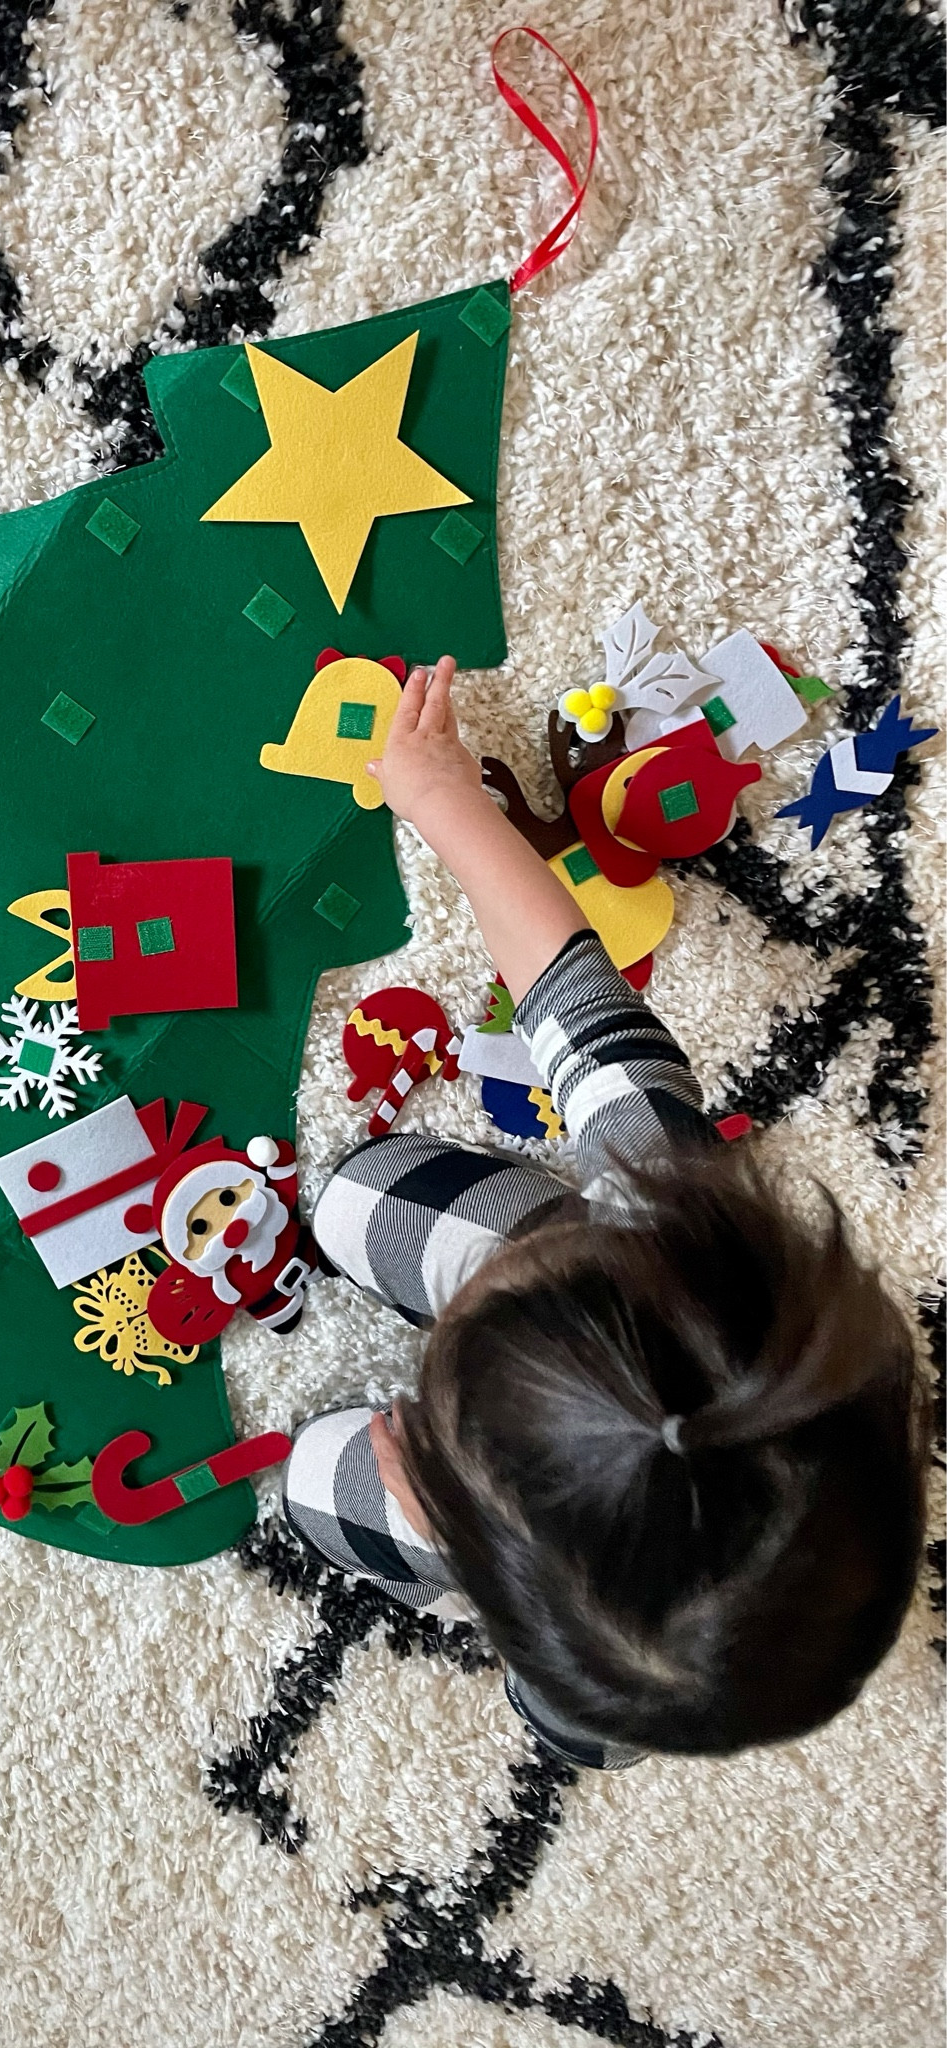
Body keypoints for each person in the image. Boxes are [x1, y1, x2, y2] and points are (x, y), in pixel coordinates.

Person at [283, 658, 928, 1768]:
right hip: (540, 1457)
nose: (405, 1403)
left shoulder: (589, 1654)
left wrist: (434, 1509)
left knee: (311, 1486)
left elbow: (553, 1599)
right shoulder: (667, 1211)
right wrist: (445, 800)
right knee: (353, 1195)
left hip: (534, 1599)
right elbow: (572, 995)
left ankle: (556, 1693)